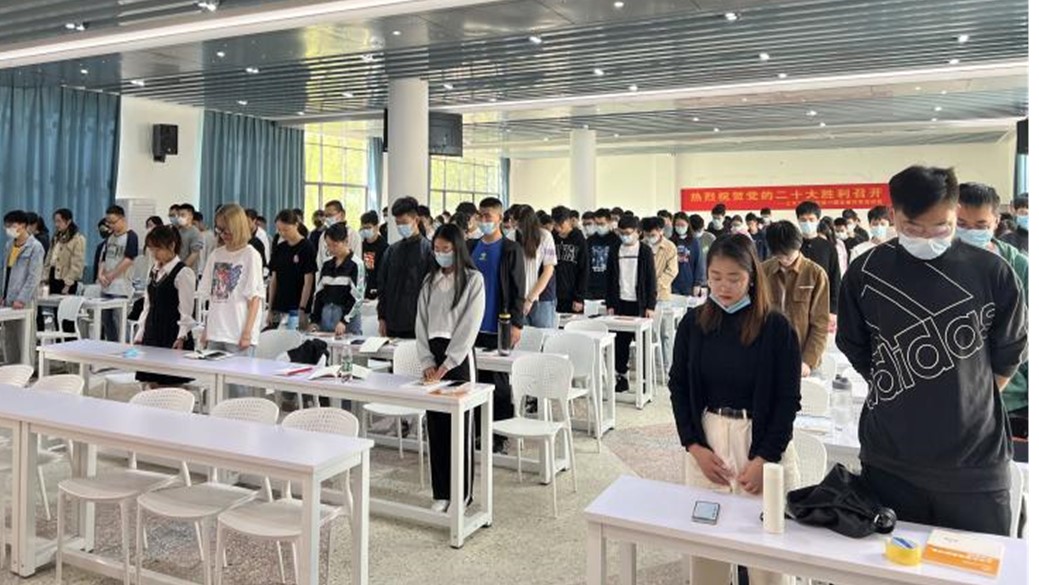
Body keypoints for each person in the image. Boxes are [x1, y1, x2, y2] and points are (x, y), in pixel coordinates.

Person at [837, 166, 1027, 535]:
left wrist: (969, 396)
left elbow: (1009, 352)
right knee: (889, 560)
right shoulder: (866, 272)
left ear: (956, 213)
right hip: (891, 460)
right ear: (893, 215)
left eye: (941, 227)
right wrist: (897, 386)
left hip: (974, 465)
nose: (927, 238)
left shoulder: (992, 272)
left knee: (981, 560)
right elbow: (855, 345)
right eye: (913, 227)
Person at [669, 234, 801, 585]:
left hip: (761, 440)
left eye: (734, 278)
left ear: (752, 277)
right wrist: (694, 446)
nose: (723, 287)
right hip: (709, 438)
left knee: (766, 557)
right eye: (715, 277)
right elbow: (678, 386)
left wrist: (764, 459)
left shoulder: (776, 327)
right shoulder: (694, 323)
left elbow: (788, 400)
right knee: (707, 550)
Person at [956, 182, 1029, 460]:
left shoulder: (1018, 265)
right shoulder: (936, 265)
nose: (970, 232)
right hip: (953, 394)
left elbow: (1025, 335)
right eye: (962, 224)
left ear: (996, 221)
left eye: (981, 225)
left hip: (1009, 395)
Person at [416, 223, 485, 512]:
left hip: (458, 359)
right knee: (436, 425)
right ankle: (441, 492)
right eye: (437, 249)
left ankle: (462, 494)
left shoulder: (473, 280)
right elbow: (420, 322)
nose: (441, 254)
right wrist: (427, 361)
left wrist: (446, 364)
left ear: (458, 249)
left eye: (446, 249)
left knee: (460, 427)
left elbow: (470, 325)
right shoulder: (429, 280)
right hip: (433, 356)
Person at [469, 197, 526, 452]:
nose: (484, 220)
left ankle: (499, 434)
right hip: (473, 326)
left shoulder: (511, 249)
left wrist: (517, 324)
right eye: (480, 216)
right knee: (475, 380)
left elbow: (518, 288)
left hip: (499, 324)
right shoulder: (471, 246)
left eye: (488, 216)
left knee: (498, 381)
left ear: (500, 218)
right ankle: (478, 430)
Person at [199, 204, 265, 397]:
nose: (223, 234)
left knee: (239, 389)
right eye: (219, 229)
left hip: (238, 332)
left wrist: (247, 333)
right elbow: (213, 298)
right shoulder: (216, 254)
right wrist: (206, 329)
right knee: (213, 389)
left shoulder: (250, 254)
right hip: (216, 330)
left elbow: (255, 299)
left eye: (227, 230)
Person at [762, 222, 829, 377]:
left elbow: (820, 323)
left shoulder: (816, 274)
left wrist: (807, 361)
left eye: (788, 254)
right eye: (779, 256)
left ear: (798, 246)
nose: (784, 259)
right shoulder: (763, 271)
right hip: (769, 355)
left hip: (803, 359)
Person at [133, 226, 196, 387]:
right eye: (152, 249)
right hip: (152, 331)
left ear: (172, 246)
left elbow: (186, 311)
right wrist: (140, 332)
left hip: (171, 332)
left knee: (169, 384)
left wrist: (181, 336)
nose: (155, 254)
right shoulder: (154, 270)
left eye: (158, 249)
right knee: (151, 381)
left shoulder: (183, 272)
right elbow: (148, 304)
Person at [606, 215, 657, 392]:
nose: (625, 236)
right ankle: (622, 377)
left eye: (628, 233)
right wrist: (610, 304)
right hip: (620, 303)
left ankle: (644, 381)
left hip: (640, 303)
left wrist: (650, 306)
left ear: (638, 232)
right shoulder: (615, 250)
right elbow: (609, 279)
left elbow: (651, 280)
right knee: (620, 344)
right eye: (621, 233)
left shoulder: (645, 251)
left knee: (642, 344)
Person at [377, 197, 433, 339]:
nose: (401, 226)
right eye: (398, 223)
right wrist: (382, 317)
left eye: (404, 222)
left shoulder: (428, 251)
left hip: (418, 323)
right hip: (392, 322)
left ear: (416, 220)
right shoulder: (391, 251)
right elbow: (382, 286)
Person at [1, 210, 45, 362]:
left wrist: (22, 298)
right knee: (9, 338)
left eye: (12, 225)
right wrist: (2, 294)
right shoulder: (9, 245)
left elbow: (34, 277)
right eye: (6, 225)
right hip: (8, 299)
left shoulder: (35, 247)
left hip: (24, 301)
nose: (9, 229)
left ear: (23, 225)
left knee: (25, 338)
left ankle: (27, 370)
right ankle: (11, 369)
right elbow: (5, 272)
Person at [267, 210, 318, 330]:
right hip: (279, 305)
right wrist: (270, 308)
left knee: (294, 337)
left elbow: (308, 282)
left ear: (296, 225)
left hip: (297, 307)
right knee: (275, 337)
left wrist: (302, 308)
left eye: (286, 229)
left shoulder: (307, 247)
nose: (282, 233)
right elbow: (274, 280)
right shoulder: (280, 248)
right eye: (279, 230)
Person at [311, 223, 365, 336]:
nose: (331, 249)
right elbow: (319, 293)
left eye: (335, 245)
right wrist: (314, 320)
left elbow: (357, 297)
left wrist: (344, 320)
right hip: (326, 315)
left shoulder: (356, 264)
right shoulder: (327, 264)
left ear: (346, 241)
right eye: (328, 245)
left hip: (346, 320)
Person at [97, 205, 139, 341]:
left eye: (113, 222)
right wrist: (100, 274)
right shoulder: (110, 237)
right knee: (106, 320)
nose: (110, 225)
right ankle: (111, 347)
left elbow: (129, 259)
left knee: (119, 321)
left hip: (121, 287)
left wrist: (111, 275)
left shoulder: (131, 236)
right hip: (106, 286)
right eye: (108, 222)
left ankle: (123, 347)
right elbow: (103, 258)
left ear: (122, 219)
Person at [794, 201, 840, 323]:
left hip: (822, 304)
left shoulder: (828, 247)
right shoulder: (793, 247)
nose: (807, 223)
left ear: (818, 220)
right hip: (797, 304)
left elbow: (835, 278)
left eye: (811, 219)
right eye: (803, 220)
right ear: (798, 221)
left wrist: (833, 309)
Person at [513, 205, 558, 328]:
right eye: (516, 224)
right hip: (519, 297)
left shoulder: (545, 236)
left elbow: (548, 270)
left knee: (544, 336)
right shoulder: (512, 236)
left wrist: (530, 298)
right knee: (523, 337)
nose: (517, 228)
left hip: (543, 297)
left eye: (520, 225)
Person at [552, 206, 588, 315]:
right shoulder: (552, 238)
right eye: (555, 225)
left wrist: (579, 297)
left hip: (573, 296)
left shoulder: (579, 238)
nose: (558, 228)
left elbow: (584, 269)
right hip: (554, 294)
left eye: (561, 225)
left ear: (569, 221)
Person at [45, 209, 86, 295]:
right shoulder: (56, 237)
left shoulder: (77, 239)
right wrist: (44, 277)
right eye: (55, 221)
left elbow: (77, 264)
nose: (56, 225)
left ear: (68, 221)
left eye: (59, 221)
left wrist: (68, 284)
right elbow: (49, 259)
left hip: (66, 279)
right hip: (53, 275)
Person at [586, 208, 621, 301]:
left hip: (609, 286)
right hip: (591, 287)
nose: (599, 226)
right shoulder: (590, 241)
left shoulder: (616, 241)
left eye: (602, 224)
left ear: (609, 222)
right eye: (597, 224)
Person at [643, 216, 678, 303]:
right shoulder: (641, 245)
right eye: (647, 235)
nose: (649, 238)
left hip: (661, 294)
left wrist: (655, 285)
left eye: (653, 235)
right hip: (643, 293)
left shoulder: (670, 247)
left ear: (661, 231)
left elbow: (672, 271)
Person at [671, 212, 705, 297]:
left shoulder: (694, 242)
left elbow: (699, 263)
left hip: (689, 283)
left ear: (687, 225)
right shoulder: (670, 242)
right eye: (677, 225)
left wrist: (697, 284)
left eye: (682, 225)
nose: (680, 227)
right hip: (673, 283)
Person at [358, 210, 387, 300]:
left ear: (376, 227)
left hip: (377, 290)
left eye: (368, 227)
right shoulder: (361, 245)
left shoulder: (384, 247)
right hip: (362, 288)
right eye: (363, 228)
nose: (365, 230)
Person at [172, 204, 204, 271]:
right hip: (176, 267)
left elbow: (194, 254)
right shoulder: (178, 231)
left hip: (188, 271)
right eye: (179, 215)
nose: (180, 218)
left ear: (190, 216)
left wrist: (181, 268)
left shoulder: (195, 232)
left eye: (183, 215)